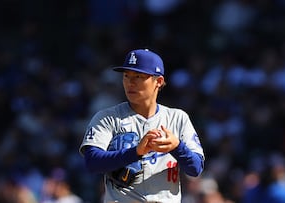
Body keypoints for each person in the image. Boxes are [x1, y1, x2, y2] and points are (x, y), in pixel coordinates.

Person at [79, 48, 205, 202]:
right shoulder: (108, 118)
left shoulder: (177, 118)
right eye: (126, 76)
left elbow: (195, 168)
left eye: (138, 76)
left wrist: (177, 147)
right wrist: (135, 152)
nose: (130, 82)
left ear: (158, 81)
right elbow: (92, 163)